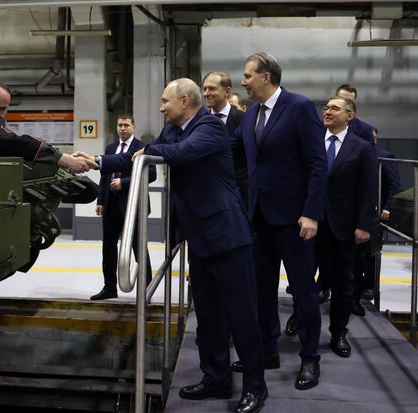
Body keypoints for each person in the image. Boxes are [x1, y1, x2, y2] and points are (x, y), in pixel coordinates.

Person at [75, 78, 267, 413]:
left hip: (227, 236)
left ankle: (255, 386)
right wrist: (97, 162)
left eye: (165, 102)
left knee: (241, 315)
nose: (161, 108)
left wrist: (147, 150)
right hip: (200, 238)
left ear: (183, 100)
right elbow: (139, 157)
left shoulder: (209, 127)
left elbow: (181, 154)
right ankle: (216, 378)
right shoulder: (173, 131)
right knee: (207, 316)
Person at [230, 52, 327, 391]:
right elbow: (233, 150)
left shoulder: (299, 107)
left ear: (266, 77)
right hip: (258, 218)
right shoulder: (250, 114)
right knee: (261, 291)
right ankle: (267, 350)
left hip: (296, 220)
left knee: (304, 292)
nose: (242, 82)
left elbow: (318, 164)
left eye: (247, 76)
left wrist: (312, 212)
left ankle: (310, 359)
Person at [317, 96, 376, 357]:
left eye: (334, 109)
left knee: (343, 283)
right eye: (326, 108)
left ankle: (339, 332)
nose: (327, 112)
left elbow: (368, 190)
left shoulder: (361, 147)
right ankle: (299, 319)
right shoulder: (313, 143)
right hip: (311, 224)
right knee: (303, 280)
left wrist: (365, 225)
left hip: (344, 226)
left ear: (349, 116)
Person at [90, 115, 156, 300]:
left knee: (139, 248)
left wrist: (124, 182)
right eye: (120, 125)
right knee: (108, 248)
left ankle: (145, 291)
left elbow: (151, 174)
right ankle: (109, 287)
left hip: (134, 206)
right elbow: (105, 176)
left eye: (126, 125)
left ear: (133, 127)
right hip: (111, 206)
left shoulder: (141, 147)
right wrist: (100, 200)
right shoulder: (111, 148)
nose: (122, 128)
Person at [352, 128, 401, 313]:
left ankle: (369, 286)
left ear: (375, 137)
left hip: (375, 213)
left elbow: (394, 185)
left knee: (371, 253)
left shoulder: (385, 156)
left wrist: (387, 207)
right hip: (354, 212)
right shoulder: (353, 153)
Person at [203, 71, 248, 207]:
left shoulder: (244, 119)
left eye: (212, 88)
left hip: (239, 195)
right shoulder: (199, 121)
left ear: (227, 92)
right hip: (207, 195)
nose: (206, 93)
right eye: (204, 89)